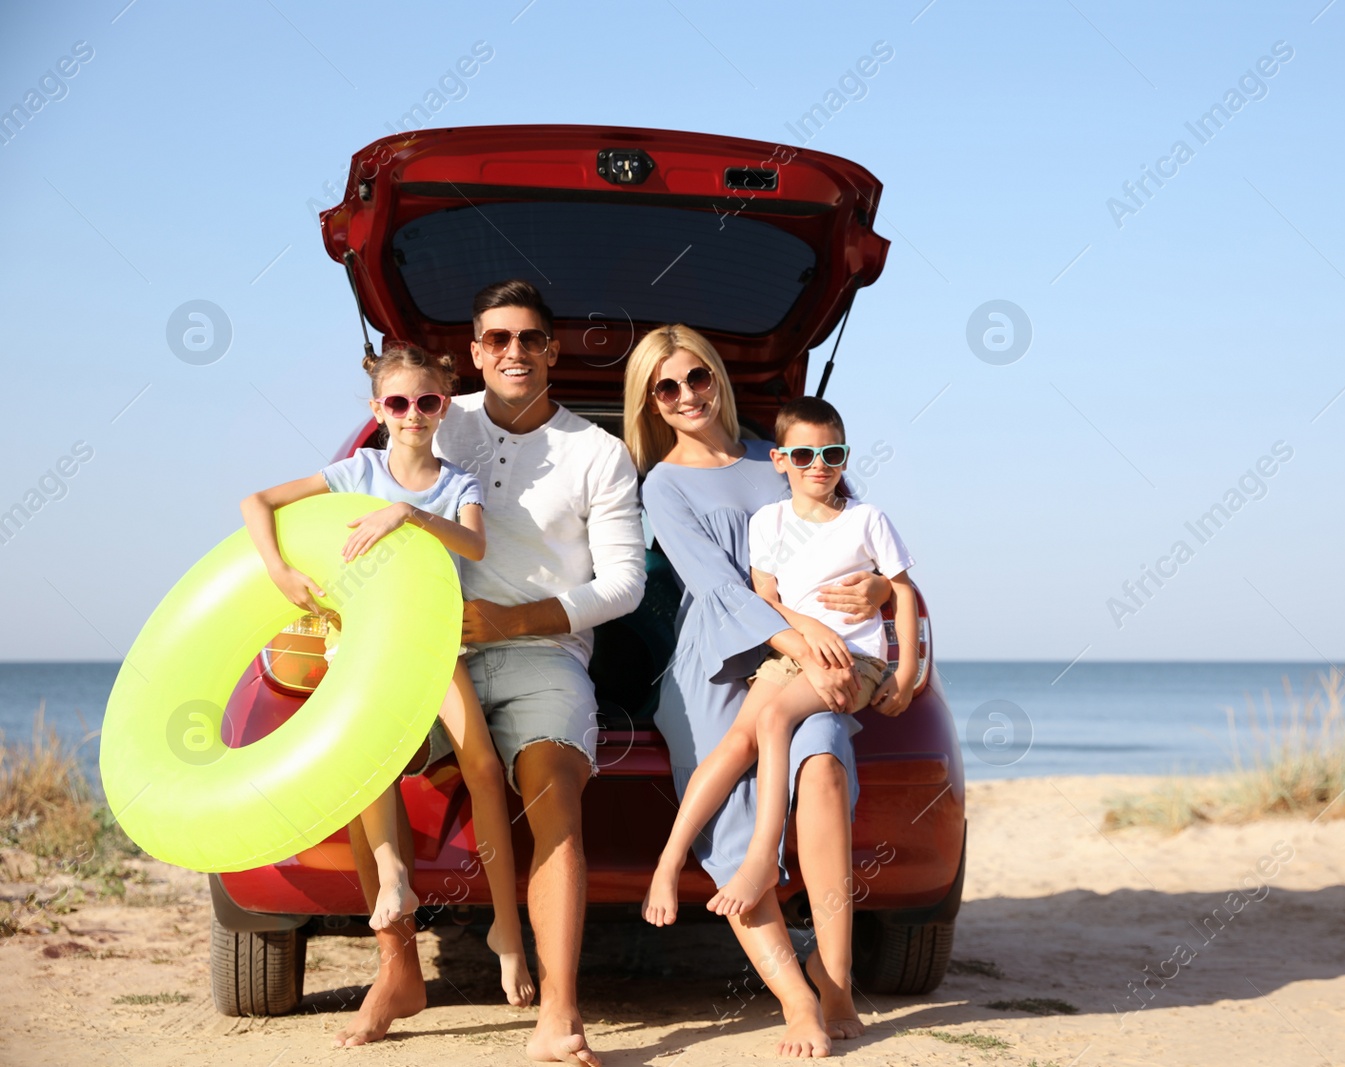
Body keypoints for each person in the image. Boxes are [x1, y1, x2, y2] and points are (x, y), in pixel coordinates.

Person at [334, 280, 646, 1067]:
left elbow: (624, 584)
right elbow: (354, 500)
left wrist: (517, 619)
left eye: (530, 338)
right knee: (353, 758)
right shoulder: (433, 410)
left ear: (553, 350)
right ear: (474, 351)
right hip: (429, 650)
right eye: (497, 339)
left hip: (545, 653)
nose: (514, 351)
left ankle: (561, 1009)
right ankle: (399, 970)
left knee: (554, 791)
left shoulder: (597, 453)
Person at [624, 324, 892, 1058]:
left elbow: (858, 530)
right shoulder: (664, 483)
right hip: (719, 655)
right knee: (735, 828)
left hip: (816, 649)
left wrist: (878, 591)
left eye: (697, 378)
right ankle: (798, 1002)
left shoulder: (781, 453)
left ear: (718, 376)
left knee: (825, 767)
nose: (686, 396)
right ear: (649, 401)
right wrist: (797, 638)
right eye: (666, 387)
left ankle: (833, 974)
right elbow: (715, 585)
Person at [239, 343, 534, 1010]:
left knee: (484, 769)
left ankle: (508, 933)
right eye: (398, 403)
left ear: (443, 407)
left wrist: (407, 513)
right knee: (369, 759)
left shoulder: (456, 482)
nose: (413, 414)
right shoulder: (358, 469)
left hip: (433, 647)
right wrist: (281, 572)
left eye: (427, 402)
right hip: (365, 650)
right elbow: (255, 501)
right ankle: (396, 878)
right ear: (378, 409)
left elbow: (474, 544)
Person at [643, 395, 918, 925]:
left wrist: (904, 673)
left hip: (852, 659)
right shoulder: (767, 520)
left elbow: (903, 592)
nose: (818, 466)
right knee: (734, 743)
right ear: (780, 461)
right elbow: (763, 596)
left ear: (845, 457)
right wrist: (804, 630)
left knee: (770, 719)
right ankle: (669, 859)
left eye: (832, 454)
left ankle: (762, 856)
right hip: (787, 649)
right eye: (804, 457)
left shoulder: (866, 518)